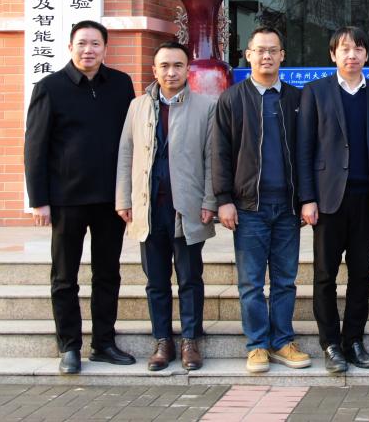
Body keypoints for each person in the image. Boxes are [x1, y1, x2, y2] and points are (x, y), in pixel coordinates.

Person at [24, 20, 137, 375]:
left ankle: (104, 342)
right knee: (64, 276)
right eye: (82, 43)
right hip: (66, 199)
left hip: (109, 199)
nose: (89, 50)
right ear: (70, 47)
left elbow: (130, 141)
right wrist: (38, 199)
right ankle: (69, 346)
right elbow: (35, 147)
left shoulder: (120, 84)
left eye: (96, 44)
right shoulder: (50, 87)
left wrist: (130, 193)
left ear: (105, 48)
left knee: (108, 273)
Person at [212, 26, 311, 373]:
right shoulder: (231, 99)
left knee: (284, 280)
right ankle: (256, 345)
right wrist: (223, 199)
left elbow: (307, 152)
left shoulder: (297, 99)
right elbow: (219, 153)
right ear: (248, 55)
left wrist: (307, 198)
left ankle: (282, 341)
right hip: (248, 207)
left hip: (287, 206)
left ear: (282, 56)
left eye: (273, 50)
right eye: (260, 50)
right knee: (251, 283)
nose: (266, 56)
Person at [115, 41, 217, 371]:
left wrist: (210, 200)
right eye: (164, 66)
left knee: (190, 277)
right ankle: (162, 341)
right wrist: (124, 199)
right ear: (154, 70)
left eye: (178, 65)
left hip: (187, 207)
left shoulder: (206, 107)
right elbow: (126, 154)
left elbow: (212, 158)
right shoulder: (138, 106)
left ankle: (190, 340)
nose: (171, 72)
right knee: (156, 279)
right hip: (149, 207)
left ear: (188, 70)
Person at [297, 26, 369, 375]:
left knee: (362, 273)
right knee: (325, 274)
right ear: (333, 55)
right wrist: (307, 198)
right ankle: (330, 344)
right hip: (327, 199)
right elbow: (305, 148)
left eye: (358, 49)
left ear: (367, 54)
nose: (352, 55)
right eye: (344, 49)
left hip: (366, 198)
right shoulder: (316, 92)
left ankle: (354, 340)